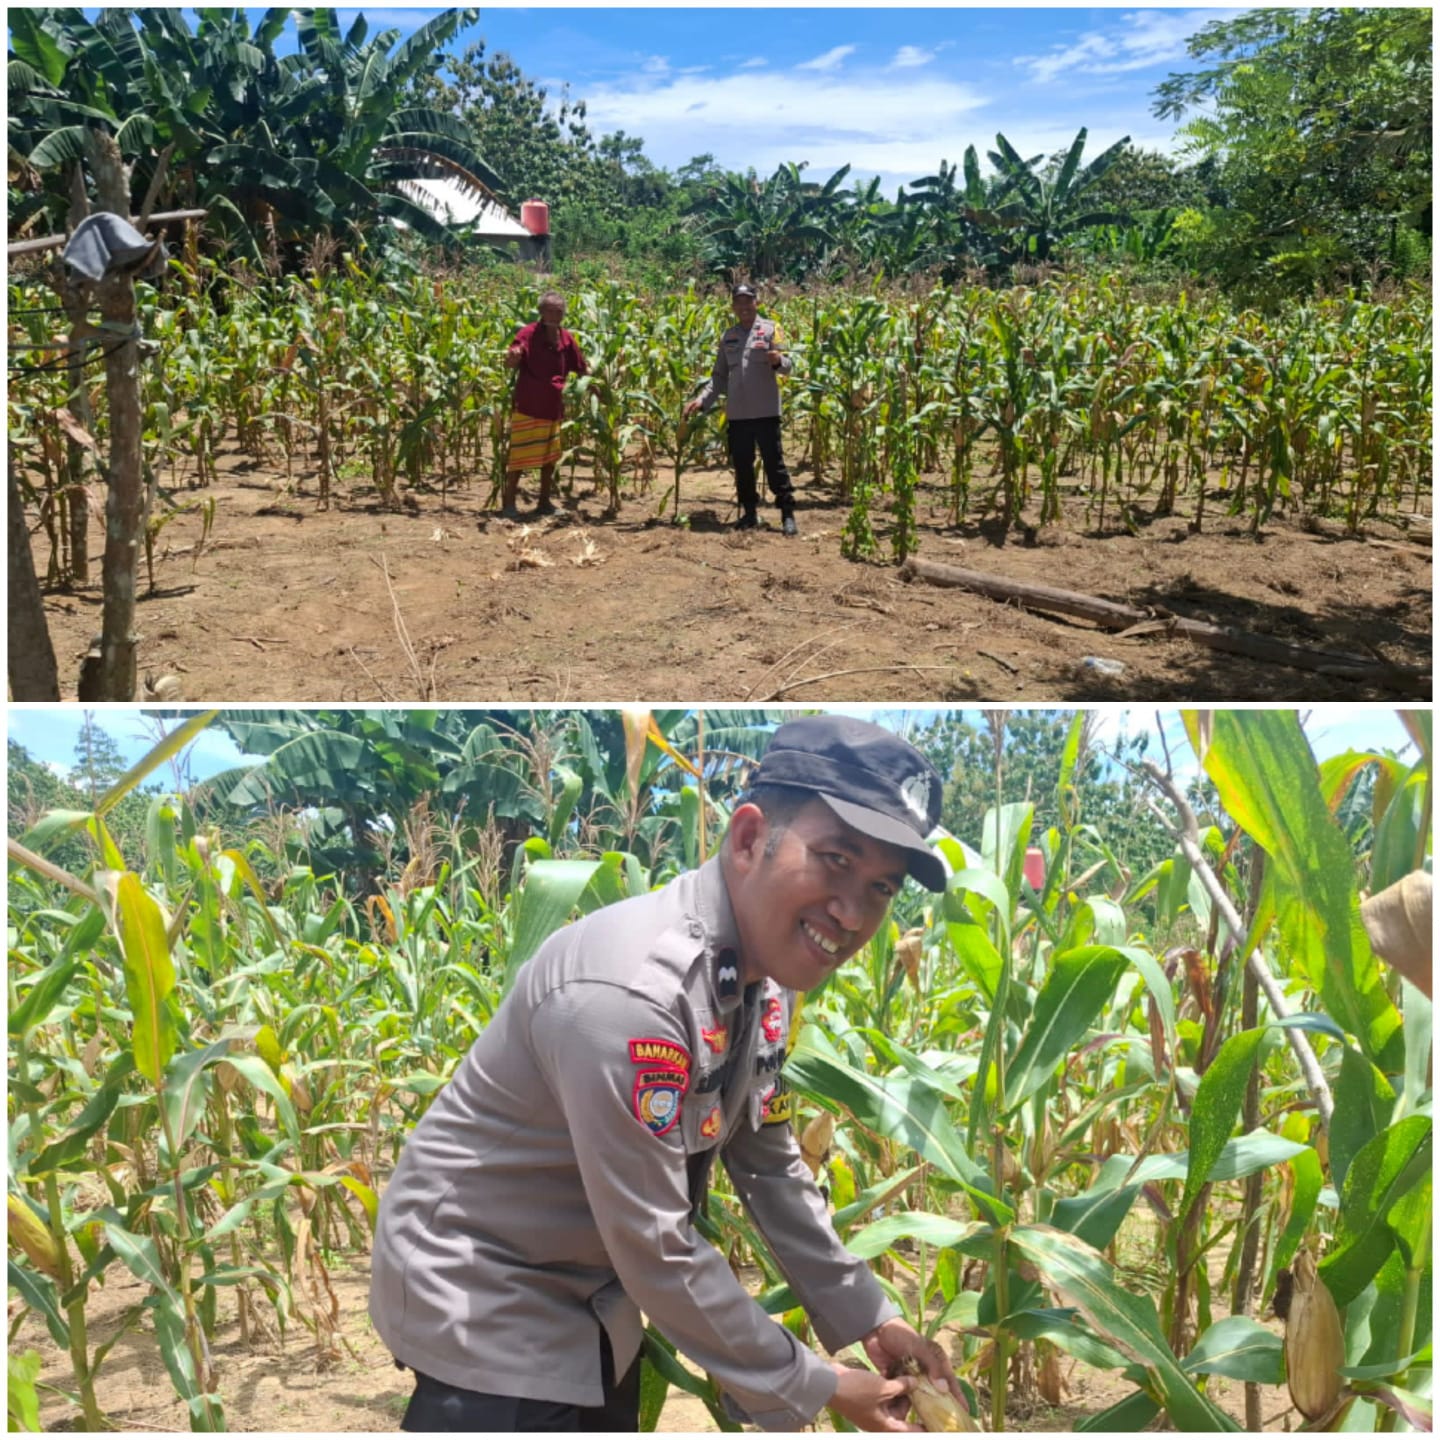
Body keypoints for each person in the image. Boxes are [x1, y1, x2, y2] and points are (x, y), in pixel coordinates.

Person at [370, 715, 968, 1433]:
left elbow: (771, 1164)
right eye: (835, 860)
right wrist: (816, 1383)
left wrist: (868, 1316)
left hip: (591, 1292)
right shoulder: (633, 998)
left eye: (881, 887)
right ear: (748, 840)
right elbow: (656, 1245)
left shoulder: (765, 981)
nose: (851, 912)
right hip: (483, 1294)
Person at [684, 283, 799, 536]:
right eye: (739, 302)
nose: (744, 307)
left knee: (774, 464)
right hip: (738, 414)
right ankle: (749, 513)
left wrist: (779, 361)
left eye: (748, 301)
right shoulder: (729, 337)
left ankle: (787, 514)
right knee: (743, 465)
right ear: (733, 306)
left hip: (766, 412)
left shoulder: (771, 329)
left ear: (756, 302)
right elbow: (719, 377)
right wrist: (703, 400)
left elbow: (789, 367)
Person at [502, 291, 588, 518]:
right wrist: (514, 356)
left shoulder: (565, 338)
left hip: (552, 408)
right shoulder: (528, 334)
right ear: (540, 312)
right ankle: (509, 504)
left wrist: (598, 390)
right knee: (519, 458)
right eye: (549, 310)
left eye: (558, 312)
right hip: (529, 406)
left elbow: (581, 368)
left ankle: (544, 502)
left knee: (549, 460)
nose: (554, 315)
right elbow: (511, 360)